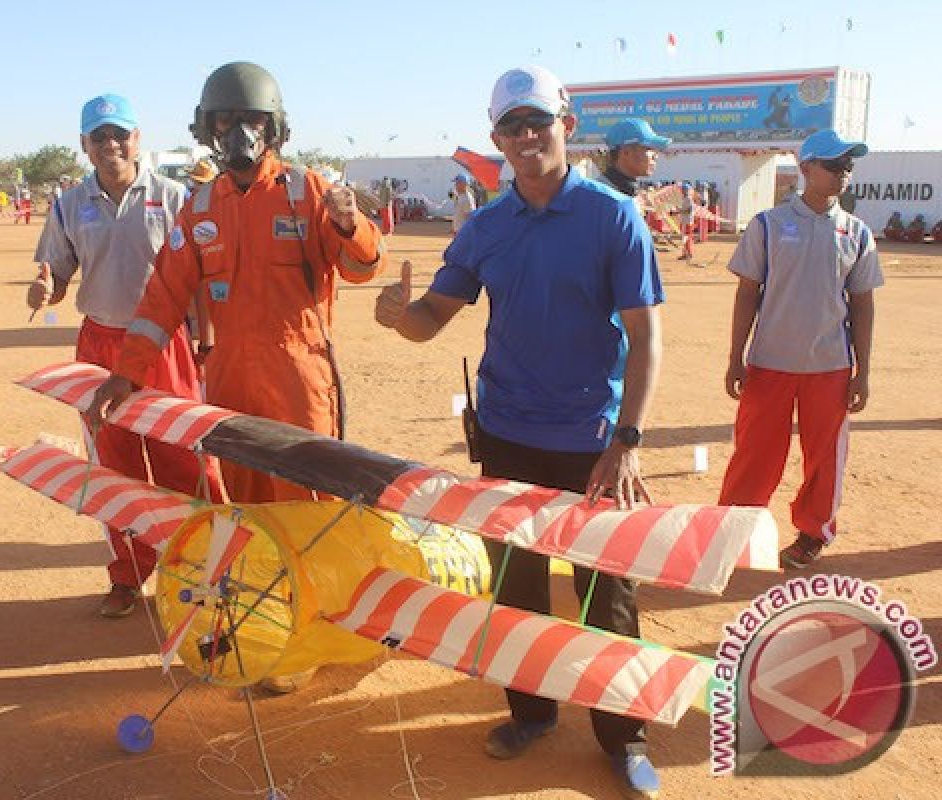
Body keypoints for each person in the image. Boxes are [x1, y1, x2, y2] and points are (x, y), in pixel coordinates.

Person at [374, 65, 663, 799]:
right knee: (518, 587)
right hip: (505, 435)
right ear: (496, 136)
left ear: (566, 121)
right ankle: (532, 714)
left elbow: (645, 334)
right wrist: (396, 317)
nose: (526, 136)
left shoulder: (611, 215)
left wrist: (626, 440)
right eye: (511, 126)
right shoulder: (488, 225)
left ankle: (623, 735)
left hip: (593, 441)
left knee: (607, 596)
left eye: (538, 120)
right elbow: (433, 317)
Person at [87, 63, 385, 688]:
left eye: (250, 120)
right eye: (225, 122)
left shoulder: (309, 191)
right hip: (227, 383)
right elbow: (164, 297)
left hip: (298, 378)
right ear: (207, 131)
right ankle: (265, 626)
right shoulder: (199, 206)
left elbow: (361, 270)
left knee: (304, 508)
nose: (238, 134)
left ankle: (314, 636)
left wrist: (349, 223)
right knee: (247, 511)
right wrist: (126, 373)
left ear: (273, 126)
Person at [29, 93, 223, 619]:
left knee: (185, 458)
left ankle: (209, 568)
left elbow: (202, 273)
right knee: (114, 469)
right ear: (85, 146)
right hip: (99, 345)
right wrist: (45, 288)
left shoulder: (176, 196)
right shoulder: (69, 204)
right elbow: (57, 270)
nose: (110, 144)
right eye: (99, 136)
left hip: (166, 345)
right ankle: (127, 574)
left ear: (137, 139)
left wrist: (205, 339)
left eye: (120, 133)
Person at [719, 129, 882, 569]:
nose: (843, 173)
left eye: (847, 165)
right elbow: (747, 293)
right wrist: (736, 356)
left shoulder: (857, 232)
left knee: (824, 458)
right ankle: (735, 527)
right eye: (833, 165)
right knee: (755, 453)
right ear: (805, 168)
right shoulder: (768, 226)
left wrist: (862, 371)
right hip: (769, 363)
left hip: (829, 367)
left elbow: (863, 305)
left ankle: (813, 531)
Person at [601, 118, 671, 199]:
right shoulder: (603, 196)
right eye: (649, 148)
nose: (655, 156)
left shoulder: (627, 191)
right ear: (626, 152)